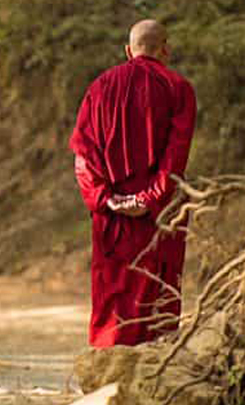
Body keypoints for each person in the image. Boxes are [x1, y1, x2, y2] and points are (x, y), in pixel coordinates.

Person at [69, 19, 198, 348]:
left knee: (113, 298)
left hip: (111, 219)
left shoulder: (99, 87)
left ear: (128, 51)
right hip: (160, 214)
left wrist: (106, 199)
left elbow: (83, 156)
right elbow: (175, 157)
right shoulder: (178, 88)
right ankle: (153, 381)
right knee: (159, 296)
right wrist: (149, 199)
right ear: (165, 50)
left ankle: (107, 375)